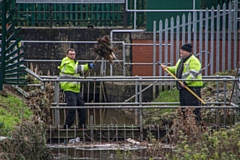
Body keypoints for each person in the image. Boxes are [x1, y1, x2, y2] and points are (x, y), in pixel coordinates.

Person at [161, 43, 203, 122]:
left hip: (192, 88)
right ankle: (186, 123)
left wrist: (186, 82)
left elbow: (194, 73)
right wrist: (168, 68)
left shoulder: (194, 60)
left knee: (193, 108)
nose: (181, 52)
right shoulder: (181, 60)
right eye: (181, 51)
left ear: (188, 52)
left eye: (183, 51)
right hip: (182, 88)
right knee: (184, 107)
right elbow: (177, 69)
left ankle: (196, 124)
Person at [58, 48, 94, 129]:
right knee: (72, 109)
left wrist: (87, 67)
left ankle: (82, 126)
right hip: (69, 88)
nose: (72, 56)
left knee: (82, 108)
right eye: (70, 54)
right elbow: (75, 69)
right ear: (67, 55)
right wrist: (87, 66)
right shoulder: (66, 62)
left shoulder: (74, 62)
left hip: (76, 89)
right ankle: (66, 127)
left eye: (73, 54)